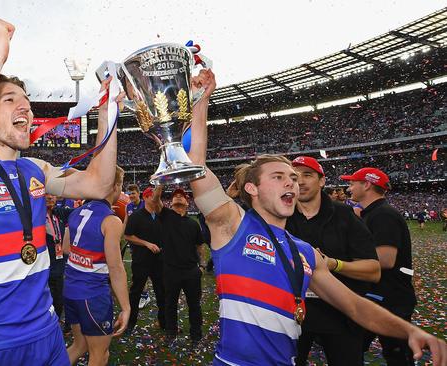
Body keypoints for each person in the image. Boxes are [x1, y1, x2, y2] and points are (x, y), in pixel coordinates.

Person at [186, 69, 446, 365]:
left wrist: (408, 330)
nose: (291, 183)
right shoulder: (232, 225)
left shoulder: (305, 252)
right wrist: (201, 101)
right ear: (252, 188)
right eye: (278, 177)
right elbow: (196, 165)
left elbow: (356, 307)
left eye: (294, 178)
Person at [0, 19, 119, 365]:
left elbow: (100, 184)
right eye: (9, 99)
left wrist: (108, 113)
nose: (27, 108)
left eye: (27, 102)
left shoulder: (36, 169)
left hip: (48, 336)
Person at [286, 156, 380, 365]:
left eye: (307, 175)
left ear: (322, 181)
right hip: (291, 315)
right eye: (294, 176)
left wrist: (332, 264)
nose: (299, 181)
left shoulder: (345, 216)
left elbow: (373, 270)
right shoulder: (280, 215)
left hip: (339, 314)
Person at [341, 168, 420, 365]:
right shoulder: (373, 213)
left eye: (353, 183)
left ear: (367, 184)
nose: (349, 188)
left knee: (398, 357)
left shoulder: (384, 214)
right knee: (351, 349)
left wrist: (341, 261)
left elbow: (386, 259)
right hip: (378, 296)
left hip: (389, 299)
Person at [64, 166, 130, 366]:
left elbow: (66, 248)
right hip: (93, 295)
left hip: (71, 290)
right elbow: (116, 268)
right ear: (116, 186)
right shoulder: (111, 220)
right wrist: (126, 308)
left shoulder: (76, 212)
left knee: (79, 346)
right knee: (100, 355)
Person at [150, 186, 206, 345]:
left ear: (188, 203)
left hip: (191, 271)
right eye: (176, 196)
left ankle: (196, 334)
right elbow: (155, 201)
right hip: (170, 270)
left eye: (183, 196)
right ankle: (171, 332)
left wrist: (201, 265)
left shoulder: (193, 224)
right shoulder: (166, 216)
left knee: (194, 305)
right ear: (171, 202)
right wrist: (160, 184)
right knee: (170, 304)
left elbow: (200, 246)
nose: (179, 197)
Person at [124, 187, 166, 333]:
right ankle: (130, 323)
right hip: (141, 260)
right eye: (153, 196)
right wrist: (146, 244)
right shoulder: (137, 216)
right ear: (147, 198)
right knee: (136, 292)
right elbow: (128, 236)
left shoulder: (161, 215)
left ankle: (163, 322)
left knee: (161, 292)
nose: (156, 199)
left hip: (159, 261)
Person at [122, 184, 151, 308]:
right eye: (129, 194)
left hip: (146, 242)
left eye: (133, 193)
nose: (131, 196)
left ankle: (145, 295)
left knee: (148, 270)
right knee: (139, 270)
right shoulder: (128, 206)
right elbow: (126, 221)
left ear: (138, 193)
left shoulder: (145, 204)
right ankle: (144, 295)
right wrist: (122, 234)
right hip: (134, 242)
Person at [45, 193, 72, 324]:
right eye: (46, 194)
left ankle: (58, 326)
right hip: (43, 267)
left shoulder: (60, 213)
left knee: (59, 300)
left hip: (59, 265)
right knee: (45, 302)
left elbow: (80, 212)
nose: (50, 197)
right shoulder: (34, 215)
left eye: (53, 195)